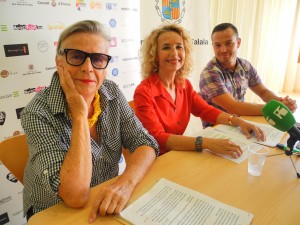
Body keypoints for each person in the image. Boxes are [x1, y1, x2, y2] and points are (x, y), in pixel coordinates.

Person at [20, 20, 159, 222]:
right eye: (76, 56)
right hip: (53, 212)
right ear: (59, 61)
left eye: (98, 59)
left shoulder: (111, 92)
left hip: (105, 199)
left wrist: (125, 184)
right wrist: (79, 115)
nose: (88, 68)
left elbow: (145, 143)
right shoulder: (37, 112)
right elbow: (75, 195)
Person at [133, 23, 265, 157]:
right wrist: (206, 143)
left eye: (179, 47)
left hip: (176, 153)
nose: (174, 53)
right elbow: (158, 138)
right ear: (154, 54)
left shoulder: (184, 85)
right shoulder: (144, 91)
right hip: (155, 159)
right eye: (166, 47)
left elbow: (205, 110)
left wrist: (238, 121)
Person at [199, 22, 297, 128]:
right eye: (218, 45)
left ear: (238, 43)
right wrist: (275, 109)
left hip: (241, 123)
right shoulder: (209, 73)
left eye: (228, 43)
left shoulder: (245, 66)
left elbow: (263, 92)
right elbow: (233, 107)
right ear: (212, 46)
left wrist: (282, 102)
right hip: (217, 129)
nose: (223, 49)